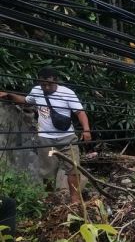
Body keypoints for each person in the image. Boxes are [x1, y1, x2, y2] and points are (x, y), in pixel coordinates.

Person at [0, 67, 92, 204]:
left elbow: (80, 112)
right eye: (43, 84)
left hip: (67, 138)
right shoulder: (37, 91)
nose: (46, 87)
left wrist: (86, 130)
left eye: (49, 84)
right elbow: (27, 101)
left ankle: (75, 200)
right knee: (47, 172)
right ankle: (49, 200)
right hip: (45, 139)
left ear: (56, 81)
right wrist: (10, 96)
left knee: (73, 169)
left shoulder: (67, 93)